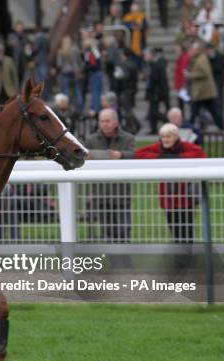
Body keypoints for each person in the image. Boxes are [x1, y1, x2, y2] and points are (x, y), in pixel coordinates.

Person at [135, 123, 206, 243]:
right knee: (174, 230)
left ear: (176, 137)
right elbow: (139, 154)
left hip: (186, 197)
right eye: (163, 137)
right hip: (168, 198)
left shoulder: (185, 146)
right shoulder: (159, 148)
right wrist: (160, 158)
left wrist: (177, 158)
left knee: (187, 233)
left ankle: (187, 258)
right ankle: (180, 258)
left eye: (168, 137)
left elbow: (200, 154)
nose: (165, 140)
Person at [85, 109, 135, 246]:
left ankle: (125, 262)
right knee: (108, 232)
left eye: (107, 121)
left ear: (116, 122)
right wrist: (87, 157)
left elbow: (135, 155)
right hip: (100, 194)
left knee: (124, 231)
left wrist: (121, 155)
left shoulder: (128, 138)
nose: (104, 124)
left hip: (121, 194)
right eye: (102, 121)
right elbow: (80, 158)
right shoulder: (90, 140)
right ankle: (114, 263)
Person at [186, 41, 224, 131]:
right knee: (213, 112)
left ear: (198, 50)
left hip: (203, 92)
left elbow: (205, 72)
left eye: (193, 49)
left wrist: (190, 75)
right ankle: (222, 128)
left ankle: (186, 130)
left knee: (194, 112)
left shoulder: (201, 59)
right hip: (204, 92)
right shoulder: (199, 58)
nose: (192, 50)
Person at [144, 48, 170, 134]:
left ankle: (167, 120)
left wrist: (162, 93)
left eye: (146, 55)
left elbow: (158, 80)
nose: (145, 57)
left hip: (155, 93)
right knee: (152, 112)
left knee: (154, 112)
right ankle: (154, 129)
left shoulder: (156, 65)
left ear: (151, 55)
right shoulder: (152, 65)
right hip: (153, 92)